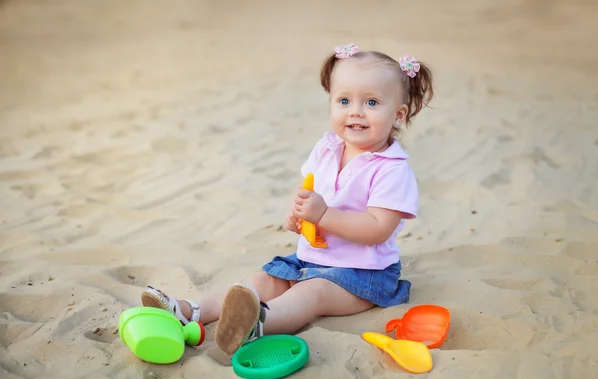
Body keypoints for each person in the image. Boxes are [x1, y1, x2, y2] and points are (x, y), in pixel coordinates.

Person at [141, 43, 434, 355]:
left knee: (312, 294)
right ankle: (189, 310)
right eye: (344, 100)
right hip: (309, 260)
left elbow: (378, 228)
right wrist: (298, 213)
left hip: (363, 275)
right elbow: (306, 187)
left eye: (372, 102)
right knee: (262, 280)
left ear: (398, 115)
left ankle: (256, 324)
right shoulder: (327, 149)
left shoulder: (392, 170)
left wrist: (323, 216)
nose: (356, 111)